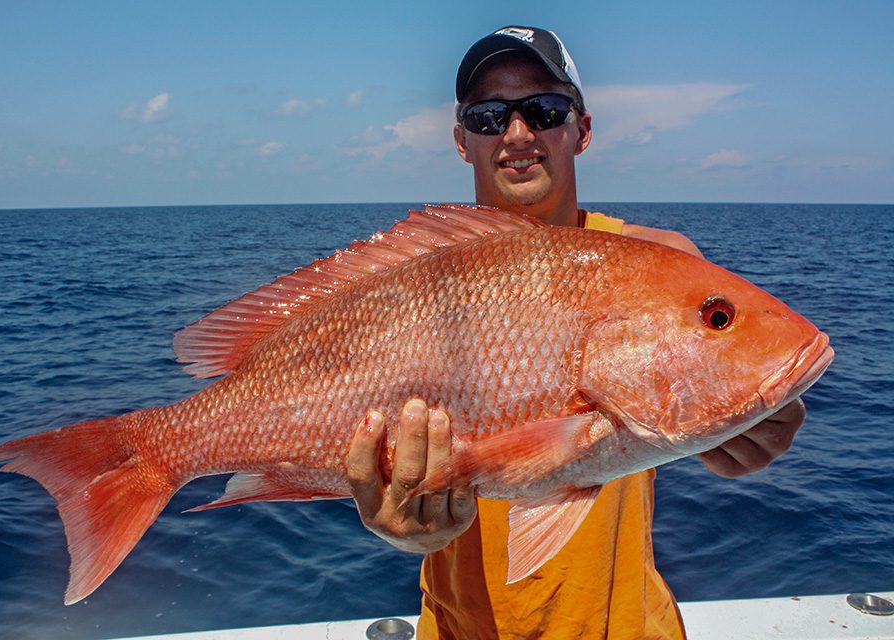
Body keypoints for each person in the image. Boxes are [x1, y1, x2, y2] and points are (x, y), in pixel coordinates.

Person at [346, 26, 807, 639]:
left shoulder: (657, 262)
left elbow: (693, 388)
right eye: (487, 116)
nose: (517, 134)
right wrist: (397, 527)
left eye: (543, 110)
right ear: (463, 141)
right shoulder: (414, 280)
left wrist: (750, 425)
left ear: (581, 129)